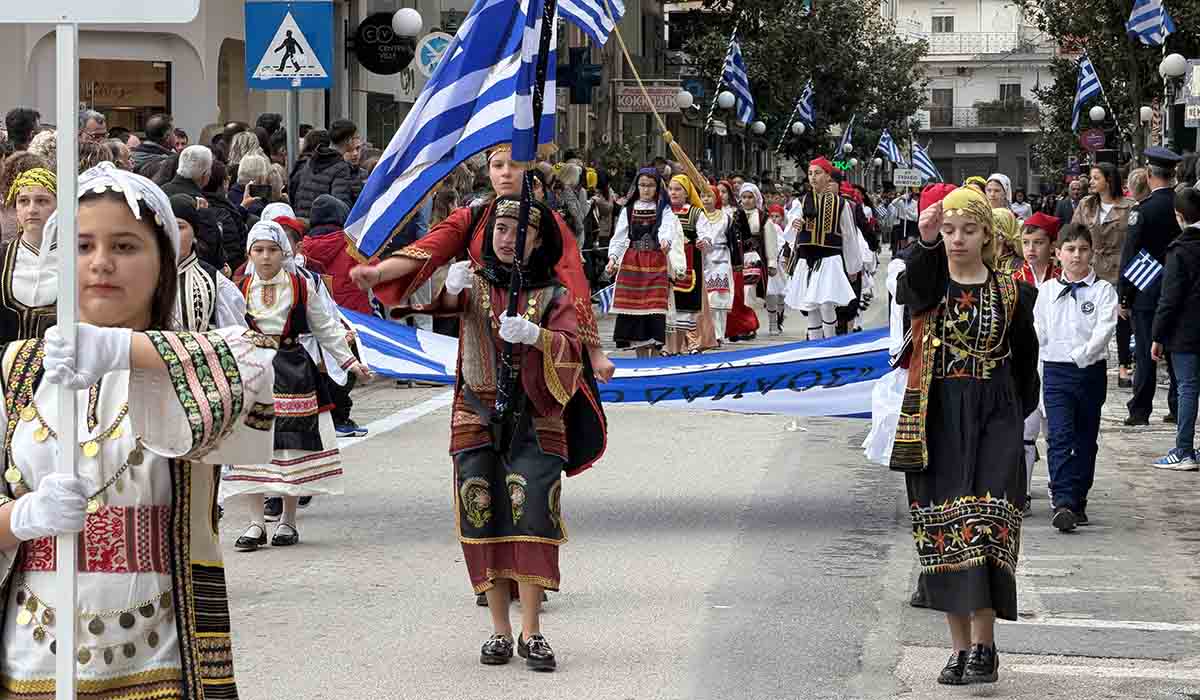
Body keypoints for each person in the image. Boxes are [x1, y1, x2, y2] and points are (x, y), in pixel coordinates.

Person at [0, 162, 276, 699]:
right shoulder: (16, 370)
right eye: (82, 246)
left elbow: (259, 367)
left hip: (161, 662)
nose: (101, 262)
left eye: (125, 247)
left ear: (163, 263)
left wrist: (123, 348)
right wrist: (22, 517)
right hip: (30, 663)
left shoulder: (186, 363)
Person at [423, 196, 605, 671]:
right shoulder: (473, 281)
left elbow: (572, 350)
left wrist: (537, 336)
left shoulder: (554, 293)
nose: (507, 239)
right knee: (481, 510)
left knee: (533, 513)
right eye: (500, 229)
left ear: (537, 241)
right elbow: (429, 307)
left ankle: (532, 631)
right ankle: (499, 631)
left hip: (536, 416)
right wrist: (447, 288)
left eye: (519, 231)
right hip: (476, 412)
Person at [891, 185, 1039, 686]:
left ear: (986, 234)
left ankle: (984, 644)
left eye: (968, 230)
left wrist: (1014, 416)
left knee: (987, 525)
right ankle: (959, 649)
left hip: (995, 413)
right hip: (938, 416)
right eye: (950, 231)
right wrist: (925, 239)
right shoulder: (928, 285)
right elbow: (912, 283)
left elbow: (1026, 362)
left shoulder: (1012, 292)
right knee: (946, 530)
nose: (957, 239)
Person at [347, 143, 615, 382]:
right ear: (489, 171)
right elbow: (426, 250)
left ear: (528, 170)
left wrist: (594, 351)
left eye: (514, 165)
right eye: (498, 166)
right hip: (481, 344)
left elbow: (573, 280)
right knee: (475, 416)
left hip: (538, 338)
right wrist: (379, 273)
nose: (506, 173)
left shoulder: (548, 222)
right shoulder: (471, 217)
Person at [222, 221, 370, 550]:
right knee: (251, 447)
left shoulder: (301, 286)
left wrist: (350, 362)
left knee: (293, 447)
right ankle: (255, 523)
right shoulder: (238, 288)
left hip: (293, 372)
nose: (265, 257)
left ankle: (287, 520)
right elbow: (226, 330)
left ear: (284, 252)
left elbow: (325, 327)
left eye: (272, 250)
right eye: (259, 250)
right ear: (249, 254)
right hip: (252, 371)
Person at [1035, 223, 1119, 530]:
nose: (1076, 255)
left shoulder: (1103, 291)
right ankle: (1063, 500)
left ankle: (1078, 497)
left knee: (1085, 438)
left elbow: (1104, 328)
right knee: (1059, 435)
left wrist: (1082, 355)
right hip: (1056, 371)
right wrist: (1045, 354)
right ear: (1058, 254)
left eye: (1083, 249)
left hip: (1089, 371)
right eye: (1070, 249)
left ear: (1092, 253)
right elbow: (1038, 328)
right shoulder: (1047, 291)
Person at [1120, 147, 1182, 427]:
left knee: (1146, 351)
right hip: (1179, 288)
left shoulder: (1142, 210)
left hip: (1147, 289)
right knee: (1176, 351)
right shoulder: (1183, 205)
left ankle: (1140, 409)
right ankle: (1178, 406)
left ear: (1148, 173)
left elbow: (1131, 254)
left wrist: (1124, 295)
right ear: (1173, 174)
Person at [604, 167, 683, 356]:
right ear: (637, 186)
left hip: (655, 261)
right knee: (634, 310)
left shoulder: (663, 208)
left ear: (657, 187)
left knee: (654, 309)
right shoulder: (629, 209)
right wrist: (613, 258)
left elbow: (667, 228)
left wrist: (665, 241)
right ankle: (640, 358)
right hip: (633, 262)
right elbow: (620, 236)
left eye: (650, 185)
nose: (646, 189)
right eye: (642, 185)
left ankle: (654, 357)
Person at [783, 157, 862, 340]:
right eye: (810, 173)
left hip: (830, 259)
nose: (813, 177)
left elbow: (849, 237)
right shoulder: (800, 202)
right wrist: (795, 225)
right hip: (807, 260)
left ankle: (830, 341)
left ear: (828, 176)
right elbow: (790, 230)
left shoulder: (840, 204)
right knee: (811, 306)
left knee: (826, 303)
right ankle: (815, 345)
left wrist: (853, 266)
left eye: (817, 173)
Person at [1073, 162, 1135, 388]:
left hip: (1120, 268)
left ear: (1109, 180)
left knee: (1122, 319)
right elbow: (1074, 232)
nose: (1091, 182)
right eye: (1091, 178)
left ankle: (1124, 366)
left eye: (1096, 178)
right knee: (1088, 315)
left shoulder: (1129, 206)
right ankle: (1086, 359)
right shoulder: (1086, 205)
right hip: (1091, 267)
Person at [1151, 188, 1200, 471]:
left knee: (1187, 388)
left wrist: (1158, 335)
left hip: (1186, 331)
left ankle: (1183, 450)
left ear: (1179, 216)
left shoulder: (1179, 250)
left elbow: (1169, 298)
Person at [169, 194, 245, 330]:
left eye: (179, 227)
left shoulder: (216, 283)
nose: (172, 233)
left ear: (195, 235)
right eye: (167, 226)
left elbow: (234, 336)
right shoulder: (145, 277)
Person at [0, 167, 57, 343]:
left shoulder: (78, 258)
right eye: (24, 201)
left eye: (42, 201)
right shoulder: (3, 257)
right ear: (16, 208)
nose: (32, 209)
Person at [664, 174, 717, 354]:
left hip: (688, 264)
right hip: (665, 263)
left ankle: (681, 346)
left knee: (684, 307)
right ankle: (668, 347)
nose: (673, 192)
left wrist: (704, 242)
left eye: (678, 189)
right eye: (671, 189)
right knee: (666, 305)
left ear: (687, 192)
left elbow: (707, 235)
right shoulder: (663, 211)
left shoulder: (695, 213)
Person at [291, 119, 363, 217]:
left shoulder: (311, 160)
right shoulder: (341, 167)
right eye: (356, 137)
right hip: (322, 223)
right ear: (349, 140)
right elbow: (340, 206)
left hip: (302, 219)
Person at [700, 182, 736, 342]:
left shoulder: (726, 217)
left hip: (721, 258)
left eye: (710, 196)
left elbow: (733, 241)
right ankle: (707, 334)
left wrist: (737, 262)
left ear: (716, 198)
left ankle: (719, 334)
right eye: (703, 196)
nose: (706, 199)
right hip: (703, 258)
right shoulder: (698, 216)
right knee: (705, 298)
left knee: (719, 297)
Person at [766, 204, 791, 335]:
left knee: (782, 293)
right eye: (772, 216)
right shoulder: (768, 227)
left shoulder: (785, 231)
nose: (774, 219)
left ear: (782, 218)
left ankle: (779, 316)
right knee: (770, 293)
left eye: (777, 216)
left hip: (782, 264)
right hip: (771, 263)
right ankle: (773, 323)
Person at [991, 208, 1022, 276]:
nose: (986, 238)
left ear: (1002, 237)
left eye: (991, 234)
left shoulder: (1019, 267)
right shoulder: (986, 260)